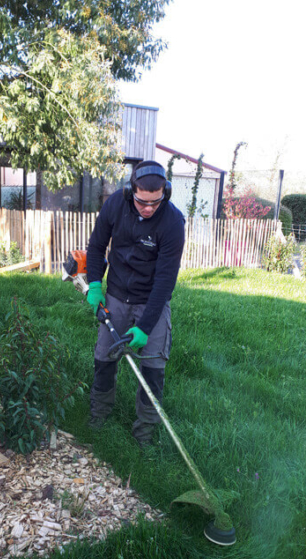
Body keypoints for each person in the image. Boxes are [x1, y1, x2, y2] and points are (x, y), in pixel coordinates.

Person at [86, 160, 186, 446]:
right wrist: (95, 283)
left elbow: (165, 282)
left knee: (153, 367)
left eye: (156, 202)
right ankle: (98, 417)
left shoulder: (172, 222)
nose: (149, 209)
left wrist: (145, 325)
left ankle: (144, 434)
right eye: (143, 201)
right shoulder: (115, 205)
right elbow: (96, 246)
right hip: (116, 294)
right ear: (131, 191)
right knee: (104, 358)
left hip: (151, 298)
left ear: (165, 193)